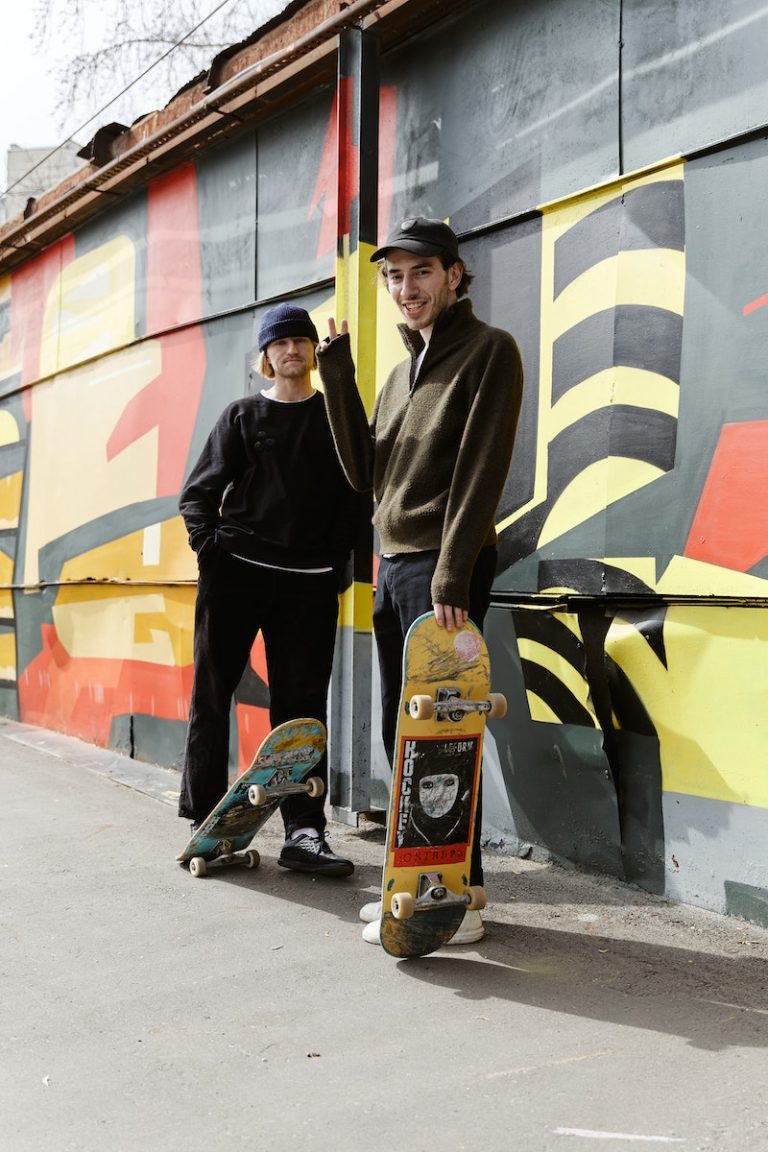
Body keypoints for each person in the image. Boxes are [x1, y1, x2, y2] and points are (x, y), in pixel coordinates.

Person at [317, 216, 523, 939]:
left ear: (454, 275)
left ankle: (452, 898)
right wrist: (337, 376)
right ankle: (427, 878)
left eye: (422, 273)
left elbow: (481, 470)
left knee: (445, 735)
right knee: (406, 734)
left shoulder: (488, 352)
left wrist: (452, 576)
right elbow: (365, 475)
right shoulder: (404, 371)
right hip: (397, 562)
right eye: (395, 277)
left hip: (444, 566)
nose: (407, 288)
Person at [178, 303, 364, 877]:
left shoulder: (336, 418)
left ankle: (304, 832)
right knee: (213, 694)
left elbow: (359, 495)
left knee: (301, 713)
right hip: (236, 575)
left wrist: (337, 567)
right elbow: (197, 494)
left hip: (307, 586)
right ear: (266, 356)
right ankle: (209, 823)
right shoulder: (241, 416)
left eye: (300, 340)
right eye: (279, 343)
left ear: (313, 350)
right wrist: (212, 554)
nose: (291, 350)